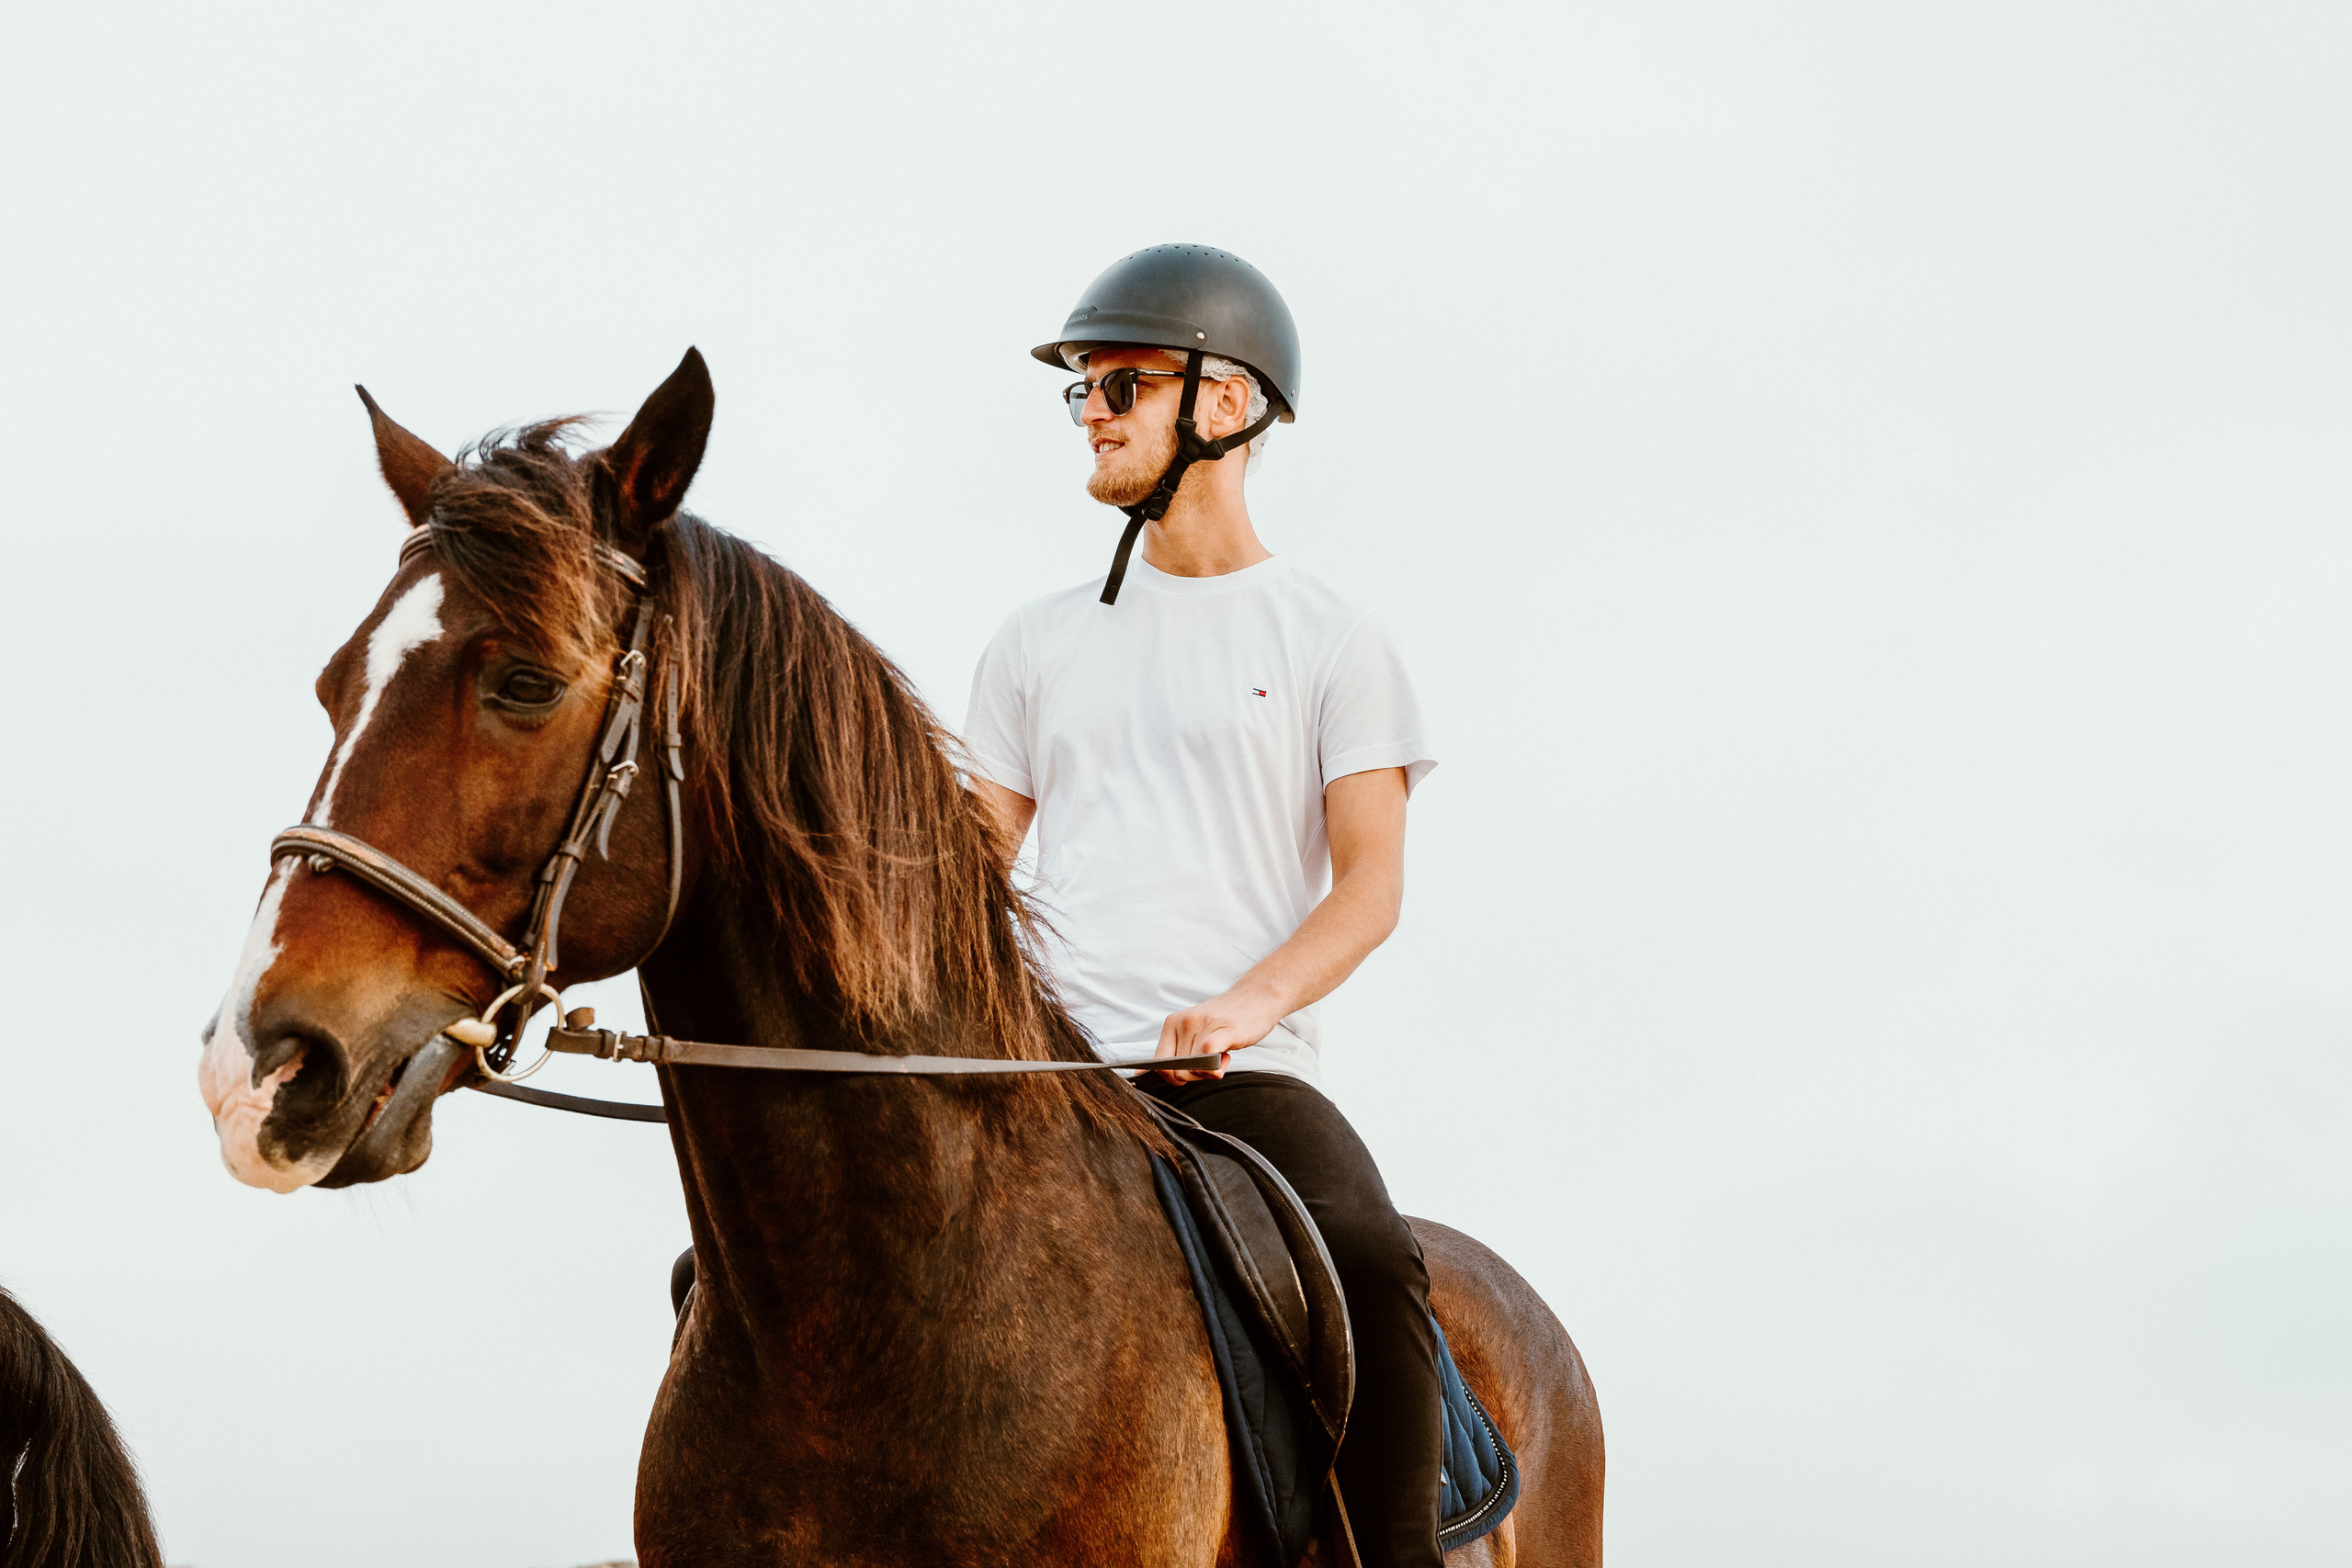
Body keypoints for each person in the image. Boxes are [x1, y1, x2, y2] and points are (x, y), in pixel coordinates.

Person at [963, 243, 1444, 1568]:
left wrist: (1244, 1004)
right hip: (1049, 1079)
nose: (1095, 410)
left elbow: (1373, 887)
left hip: (1235, 1079)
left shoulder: (1335, 638)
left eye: (1124, 382)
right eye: (1082, 390)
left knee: (1371, 1258)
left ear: (1226, 405)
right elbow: (965, 879)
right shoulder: (1034, 642)